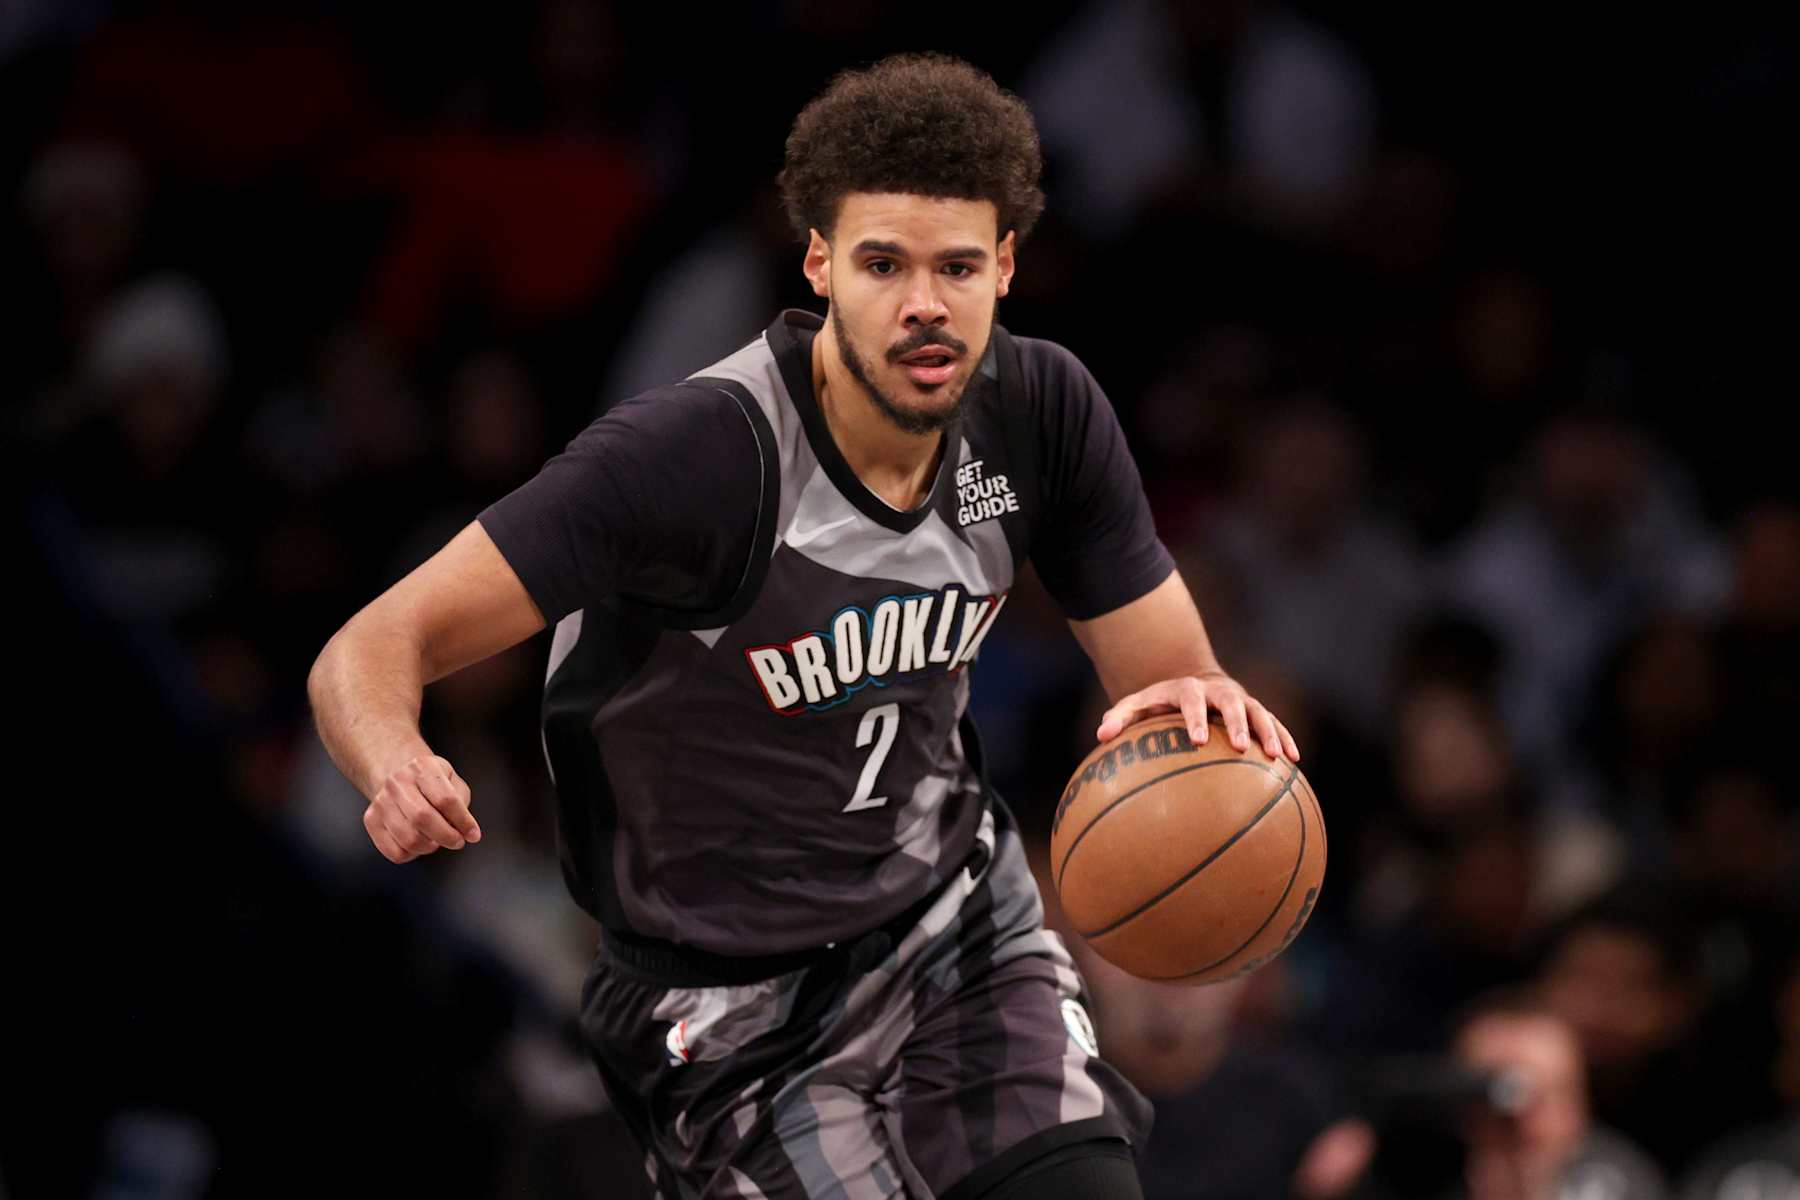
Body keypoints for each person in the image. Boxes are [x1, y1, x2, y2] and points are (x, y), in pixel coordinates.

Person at [308, 52, 1301, 1200]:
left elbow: (1161, 674)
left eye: (958, 266)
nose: (924, 303)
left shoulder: (1042, 412)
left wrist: (1201, 706)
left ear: (1008, 268)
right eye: (884, 263)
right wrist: (392, 761)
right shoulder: (696, 459)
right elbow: (372, 645)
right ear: (819, 264)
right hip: (722, 997)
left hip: (949, 927)